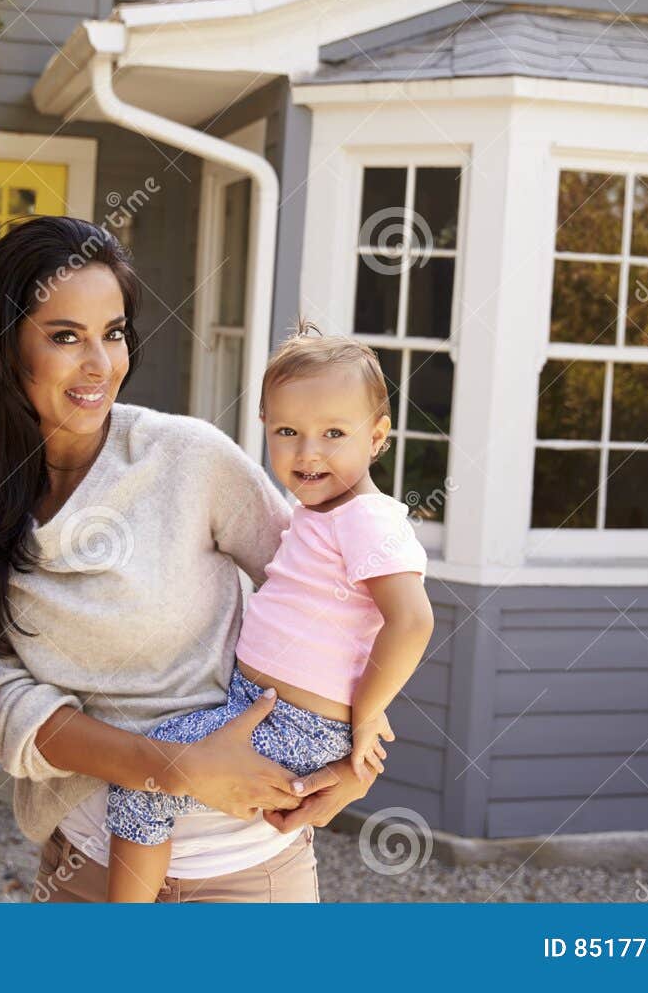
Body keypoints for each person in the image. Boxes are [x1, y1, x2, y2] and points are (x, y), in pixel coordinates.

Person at [0, 217, 389, 903]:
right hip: (89, 868)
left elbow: (338, 597)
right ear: (7, 342)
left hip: (249, 869)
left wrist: (358, 752)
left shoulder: (190, 458)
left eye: (113, 333)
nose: (99, 365)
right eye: (65, 336)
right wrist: (167, 766)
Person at [102, 324, 435, 900]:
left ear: (378, 436)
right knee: (157, 764)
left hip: (297, 725)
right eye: (287, 432)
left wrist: (367, 714)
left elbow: (412, 621)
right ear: (264, 427)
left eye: (334, 433)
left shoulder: (366, 518)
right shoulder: (322, 513)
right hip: (262, 707)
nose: (308, 452)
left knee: (145, 776)